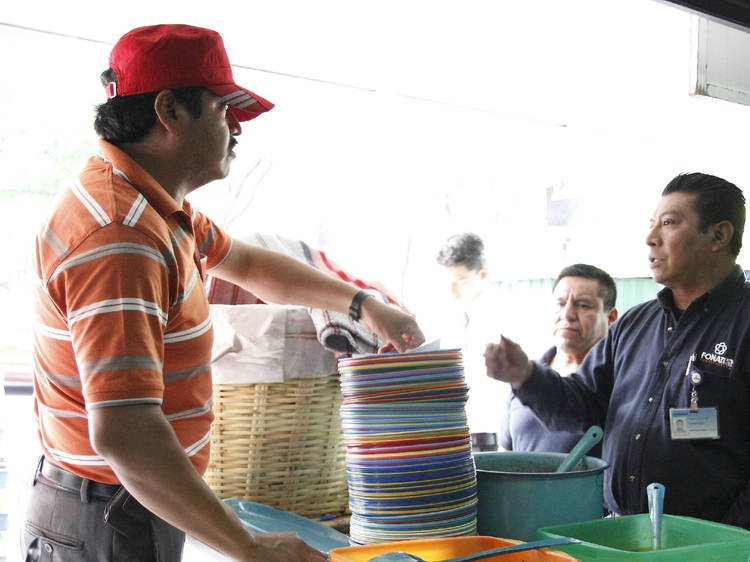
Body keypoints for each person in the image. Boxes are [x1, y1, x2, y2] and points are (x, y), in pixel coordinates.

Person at [25, 24, 424, 562]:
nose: (237, 128)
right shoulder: (120, 235)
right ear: (168, 111)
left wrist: (362, 304)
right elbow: (124, 432)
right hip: (107, 515)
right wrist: (247, 544)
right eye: (222, 110)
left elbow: (249, 263)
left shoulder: (157, 206)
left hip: (132, 502)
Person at [485, 172, 750, 529]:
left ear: (719, 235)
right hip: (622, 535)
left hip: (713, 545)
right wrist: (526, 376)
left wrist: (733, 540)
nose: (650, 238)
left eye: (669, 223)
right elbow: (582, 407)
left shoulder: (743, 321)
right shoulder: (634, 324)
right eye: (652, 224)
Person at [499, 264, 617, 453]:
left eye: (583, 305)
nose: (567, 314)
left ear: (611, 317)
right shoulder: (525, 378)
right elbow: (504, 455)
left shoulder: (617, 384)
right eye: (560, 304)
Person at [436, 232, 507, 451]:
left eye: (461, 281)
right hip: (451, 434)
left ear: (482, 274)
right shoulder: (445, 318)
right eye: (449, 282)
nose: (452, 290)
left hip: (492, 437)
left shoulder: (504, 320)